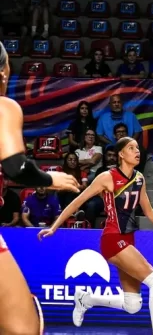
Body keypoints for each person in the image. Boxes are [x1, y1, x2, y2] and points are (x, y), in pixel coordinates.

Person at [38, 136, 153, 334]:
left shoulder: (139, 178)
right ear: (121, 154)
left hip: (128, 239)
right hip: (112, 239)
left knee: (133, 305)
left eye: (137, 148)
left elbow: (149, 211)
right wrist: (54, 227)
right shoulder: (107, 177)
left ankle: (86, 299)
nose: (137, 151)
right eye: (131, 148)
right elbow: (78, 202)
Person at [0, 41, 80, 335]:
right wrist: (51, 179)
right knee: (22, 329)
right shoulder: (3, 106)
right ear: (4, 72)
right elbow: (16, 167)